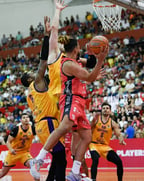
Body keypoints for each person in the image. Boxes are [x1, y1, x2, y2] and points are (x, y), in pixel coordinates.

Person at [30, 31, 108, 181]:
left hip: (80, 101)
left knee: (86, 136)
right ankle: (38, 159)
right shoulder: (68, 63)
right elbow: (90, 77)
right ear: (76, 48)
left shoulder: (76, 61)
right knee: (65, 127)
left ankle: (75, 172)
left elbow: (90, 68)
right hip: (70, 99)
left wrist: (94, 57)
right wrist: (100, 61)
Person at [21, 2, 67, 180]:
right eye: (30, 73)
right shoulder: (37, 82)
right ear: (29, 79)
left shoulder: (35, 89)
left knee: (57, 159)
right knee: (61, 158)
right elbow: (43, 61)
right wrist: (47, 36)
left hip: (45, 123)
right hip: (47, 123)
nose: (34, 72)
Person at [0, 113, 39, 181]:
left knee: (33, 168)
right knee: (2, 173)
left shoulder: (33, 129)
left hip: (24, 153)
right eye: (24, 117)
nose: (26, 119)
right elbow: (8, 142)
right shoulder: (16, 129)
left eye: (27, 117)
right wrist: (11, 150)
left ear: (29, 119)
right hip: (13, 153)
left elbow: (37, 138)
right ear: (21, 120)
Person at [89, 102, 126, 181]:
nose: (105, 110)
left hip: (105, 147)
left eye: (107, 108)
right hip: (94, 144)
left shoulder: (113, 123)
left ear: (110, 111)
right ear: (101, 110)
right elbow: (88, 128)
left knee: (119, 162)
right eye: (104, 108)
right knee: (95, 159)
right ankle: (93, 179)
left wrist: (121, 139)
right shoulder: (96, 119)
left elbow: (118, 134)